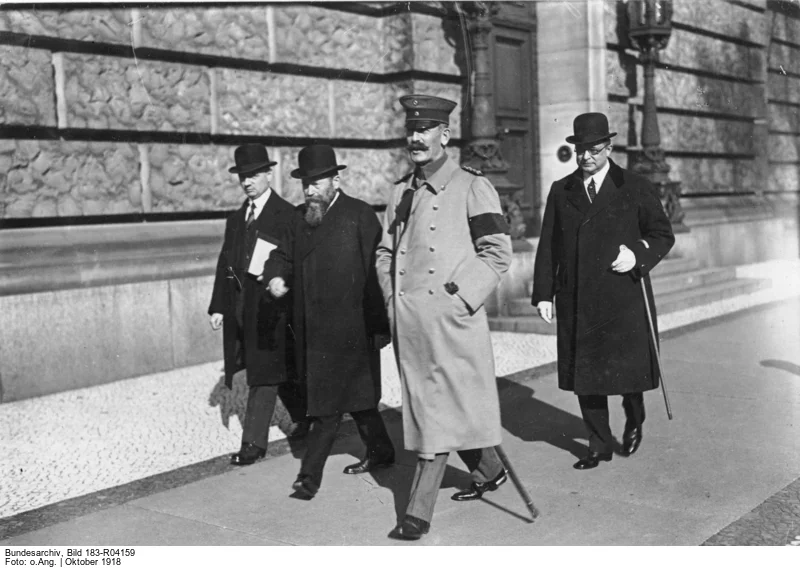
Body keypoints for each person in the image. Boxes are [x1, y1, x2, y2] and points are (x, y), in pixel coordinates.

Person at [375, 94, 513, 541]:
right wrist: (391, 297)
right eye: (411, 131)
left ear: (445, 135)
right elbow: (384, 252)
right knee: (441, 403)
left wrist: (460, 298)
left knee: (434, 413)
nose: (415, 138)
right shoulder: (400, 190)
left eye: (425, 129)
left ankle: (417, 511)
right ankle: (489, 469)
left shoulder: (472, 185)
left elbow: (497, 253)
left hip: (451, 322)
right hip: (410, 324)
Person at [532, 112, 675, 470]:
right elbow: (548, 245)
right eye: (580, 150)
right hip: (578, 296)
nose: (585, 157)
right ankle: (598, 445)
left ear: (609, 148)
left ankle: (634, 415)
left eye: (593, 150)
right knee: (587, 376)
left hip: (623, 294)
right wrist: (544, 294)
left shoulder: (634, 185)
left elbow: (662, 234)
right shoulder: (561, 190)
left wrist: (637, 254)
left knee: (627, 372)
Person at [263, 144, 395, 500]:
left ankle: (309, 478)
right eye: (305, 184)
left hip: (353, 329)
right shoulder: (298, 218)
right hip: (312, 331)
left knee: (327, 409)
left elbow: (377, 273)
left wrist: (381, 326)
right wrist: (275, 275)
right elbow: (280, 255)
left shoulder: (360, 215)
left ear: (336, 180)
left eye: (317, 183)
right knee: (359, 400)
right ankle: (382, 450)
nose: (309, 190)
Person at [208, 144, 308, 466]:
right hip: (242, 311)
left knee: (263, 377)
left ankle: (253, 443)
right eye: (242, 177)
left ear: (268, 174)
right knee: (280, 373)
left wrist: (283, 286)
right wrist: (219, 307)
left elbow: (295, 263)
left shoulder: (287, 216)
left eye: (253, 175)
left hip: (273, 311)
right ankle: (304, 420)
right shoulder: (237, 220)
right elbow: (226, 265)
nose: (248, 182)